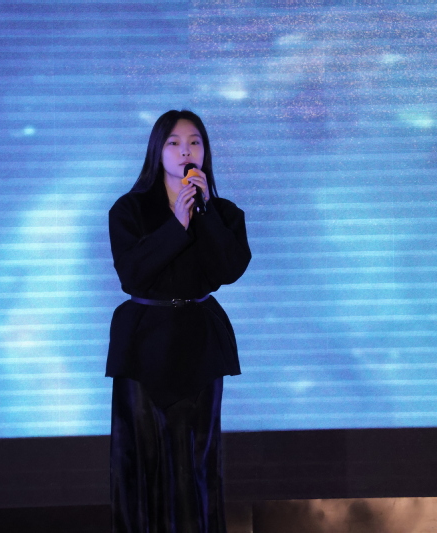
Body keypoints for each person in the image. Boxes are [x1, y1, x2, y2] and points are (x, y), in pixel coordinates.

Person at [106, 110, 251, 533]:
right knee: (143, 459)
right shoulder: (129, 209)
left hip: (199, 342)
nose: (185, 151)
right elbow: (132, 274)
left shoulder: (223, 212)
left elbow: (230, 268)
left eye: (194, 142)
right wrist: (177, 224)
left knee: (195, 462)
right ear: (157, 150)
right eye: (174, 142)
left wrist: (203, 215)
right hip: (144, 344)